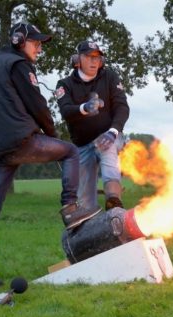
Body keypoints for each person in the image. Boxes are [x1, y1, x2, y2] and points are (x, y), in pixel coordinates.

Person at [0, 23, 100, 288]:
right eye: (36, 42)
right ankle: (70, 208)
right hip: (18, 140)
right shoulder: (19, 64)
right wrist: (51, 133)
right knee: (69, 151)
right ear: (20, 40)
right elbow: (37, 104)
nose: (39, 48)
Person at [55, 41, 129, 212]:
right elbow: (66, 110)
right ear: (77, 59)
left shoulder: (110, 77)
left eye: (97, 57)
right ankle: (91, 227)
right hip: (81, 145)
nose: (93, 61)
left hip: (108, 135)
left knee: (107, 148)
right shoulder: (64, 84)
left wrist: (113, 131)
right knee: (85, 203)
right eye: (88, 56)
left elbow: (122, 107)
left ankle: (114, 204)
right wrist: (84, 108)